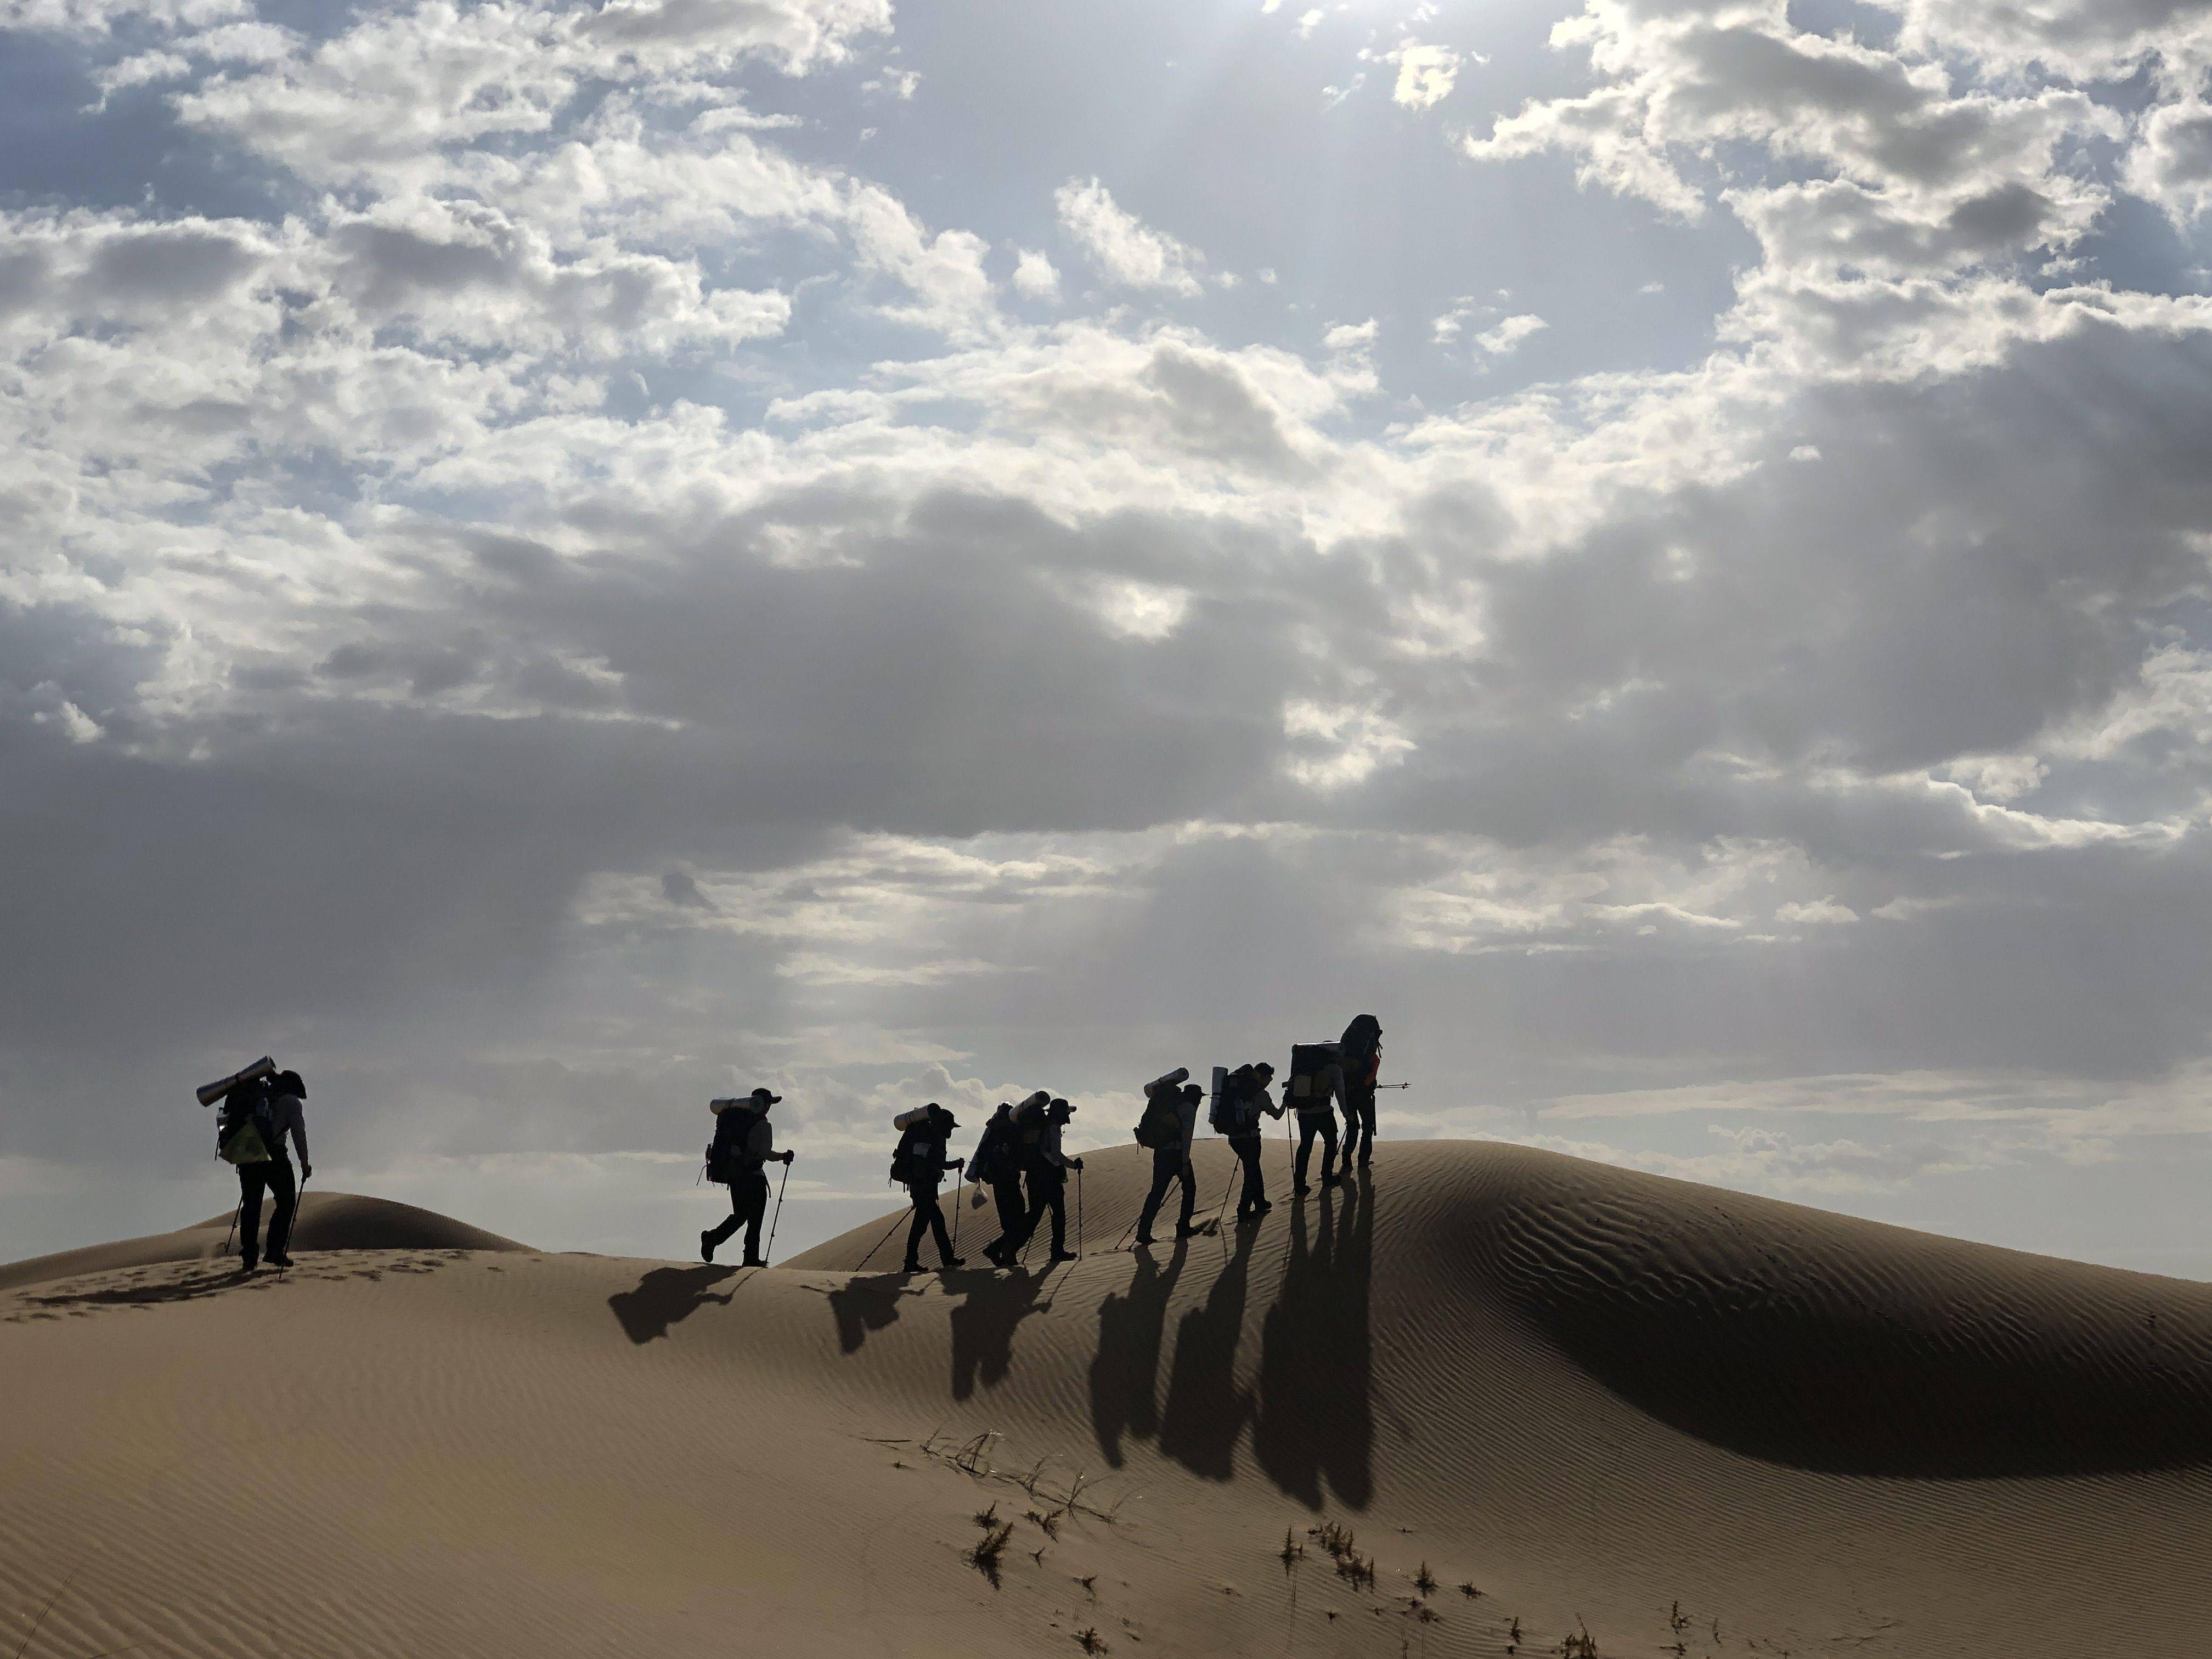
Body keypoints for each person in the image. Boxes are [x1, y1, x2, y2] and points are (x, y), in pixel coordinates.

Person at [229, 1069, 312, 1272]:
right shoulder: (291, 1102)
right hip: (275, 1155)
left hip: (249, 1153)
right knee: (286, 1202)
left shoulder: (262, 1096)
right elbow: (298, 1133)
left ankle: (249, 1257)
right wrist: (305, 1163)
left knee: (252, 1206)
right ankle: (275, 1250)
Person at [702, 1088, 793, 1266]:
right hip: (754, 1178)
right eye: (769, 1104)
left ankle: (712, 1239)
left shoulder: (739, 1121)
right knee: (755, 1220)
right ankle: (750, 1258)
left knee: (740, 1216)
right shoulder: (763, 1125)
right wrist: (783, 1156)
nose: (769, 1107)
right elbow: (764, 1153)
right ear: (764, 1105)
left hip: (736, 1176)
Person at [989, 1095, 1084, 1265]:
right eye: (1066, 1113)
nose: (1067, 1117)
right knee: (1058, 1214)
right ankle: (1057, 1251)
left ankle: (999, 1248)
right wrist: (1073, 1165)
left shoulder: (1042, 1125)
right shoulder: (1052, 1127)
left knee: (1033, 1217)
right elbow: (1055, 1154)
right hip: (1048, 1177)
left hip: (1035, 1177)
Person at [898, 1102, 965, 1272]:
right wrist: (954, 1164)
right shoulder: (927, 1136)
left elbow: (934, 1163)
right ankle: (943, 1260)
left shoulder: (933, 1135)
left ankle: (916, 1261)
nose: (950, 1130)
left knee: (926, 1224)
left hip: (925, 1186)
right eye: (949, 1126)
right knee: (931, 1223)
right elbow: (930, 1163)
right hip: (922, 1187)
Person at [1136, 1076, 1202, 1245]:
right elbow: (1187, 1137)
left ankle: (1143, 1232)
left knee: (1157, 1193)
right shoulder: (1189, 1108)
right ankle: (1183, 1227)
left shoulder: (1173, 1104)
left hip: (1161, 1154)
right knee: (1190, 1188)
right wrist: (1185, 1162)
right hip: (1177, 1154)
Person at [1223, 1062, 1282, 1221]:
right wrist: (1285, 1102)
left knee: (1253, 1169)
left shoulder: (1237, 1090)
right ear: (1264, 1077)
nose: (1269, 1082)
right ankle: (1243, 1209)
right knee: (1251, 1173)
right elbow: (1277, 1115)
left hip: (1234, 1137)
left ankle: (1260, 1202)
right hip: (1250, 1138)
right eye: (1269, 1079)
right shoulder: (1261, 1094)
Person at [970, 1101, 1026, 1244]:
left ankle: (1004, 1251)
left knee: (1006, 1215)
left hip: (996, 1178)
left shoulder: (993, 1130)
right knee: (1018, 1213)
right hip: (1009, 1178)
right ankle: (1000, 1250)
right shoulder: (1011, 1130)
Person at [1294, 1052, 1345, 1197]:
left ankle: (1299, 1184)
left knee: (1305, 1146)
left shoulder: (1303, 1065)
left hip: (1303, 1113)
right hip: (1324, 1112)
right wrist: (1346, 1114)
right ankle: (1327, 1176)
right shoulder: (1334, 1069)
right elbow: (1340, 1093)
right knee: (1331, 1142)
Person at [1339, 1014, 1384, 1168]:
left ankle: (1346, 1161)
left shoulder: (1347, 1051)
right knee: (1367, 1127)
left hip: (1347, 1093)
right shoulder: (1368, 1053)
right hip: (1363, 1095)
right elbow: (1375, 1066)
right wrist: (1366, 1085)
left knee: (1352, 1126)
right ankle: (1363, 1160)